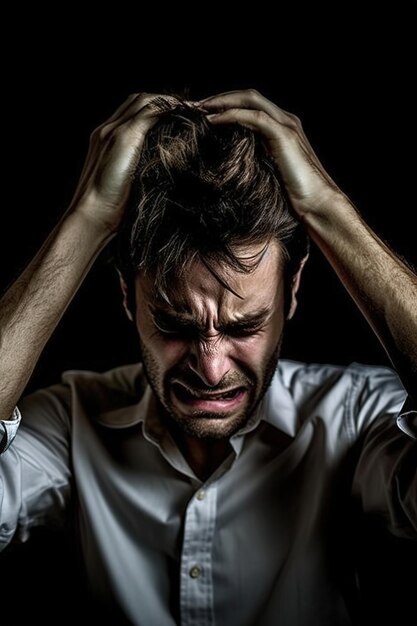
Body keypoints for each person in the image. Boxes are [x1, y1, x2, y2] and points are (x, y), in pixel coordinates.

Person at [0, 90, 415, 626]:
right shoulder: (72, 423)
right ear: (127, 296)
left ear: (292, 292)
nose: (212, 368)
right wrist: (87, 220)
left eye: (245, 326)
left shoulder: (354, 419)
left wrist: (328, 209)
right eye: (175, 326)